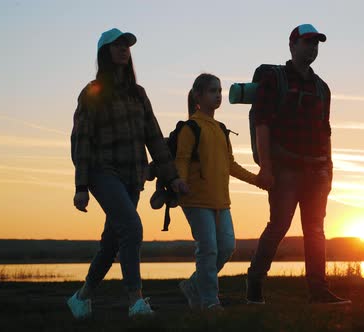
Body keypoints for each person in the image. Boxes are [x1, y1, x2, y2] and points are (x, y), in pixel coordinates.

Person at [67, 28, 188, 319]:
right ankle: (136, 301)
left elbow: (155, 138)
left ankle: (81, 298)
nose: (124, 49)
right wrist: (81, 185)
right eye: (117, 45)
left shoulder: (138, 93)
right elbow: (81, 140)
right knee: (132, 228)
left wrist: (171, 177)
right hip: (102, 172)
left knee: (112, 243)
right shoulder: (93, 92)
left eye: (127, 45)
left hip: (133, 175)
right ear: (105, 53)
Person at [246, 24, 351, 305]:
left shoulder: (322, 88)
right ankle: (254, 283)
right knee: (279, 225)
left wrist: (329, 168)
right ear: (292, 45)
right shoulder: (274, 79)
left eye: (316, 43)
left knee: (315, 229)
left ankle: (318, 290)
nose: (312, 48)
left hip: (317, 170)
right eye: (307, 42)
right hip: (285, 168)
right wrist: (266, 167)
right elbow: (262, 124)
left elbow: (326, 130)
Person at [176, 73, 266, 311]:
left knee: (226, 247)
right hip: (195, 199)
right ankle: (210, 302)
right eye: (212, 91)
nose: (218, 95)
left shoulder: (221, 129)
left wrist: (257, 180)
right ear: (198, 95)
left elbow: (231, 165)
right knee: (208, 249)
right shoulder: (190, 127)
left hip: (221, 201)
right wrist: (181, 181)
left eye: (219, 91)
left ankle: (193, 286)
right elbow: (182, 159)